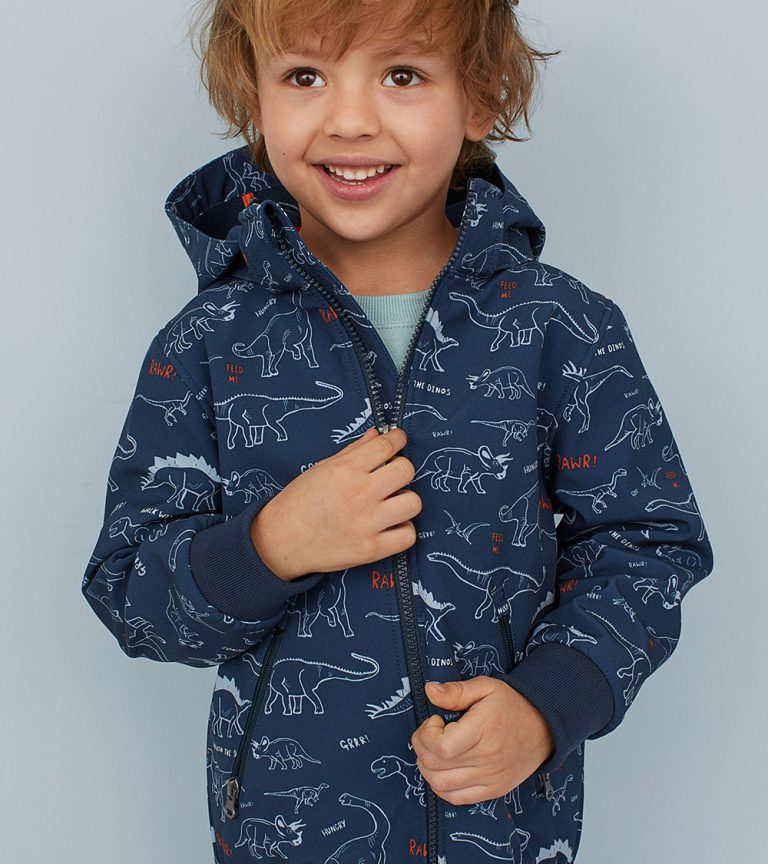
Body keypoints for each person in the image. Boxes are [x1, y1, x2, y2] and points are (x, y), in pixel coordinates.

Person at [81, 1, 714, 861]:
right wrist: (270, 547)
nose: (349, 120)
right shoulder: (206, 342)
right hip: (282, 838)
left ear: (480, 97)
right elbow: (131, 597)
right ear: (254, 99)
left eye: (403, 75)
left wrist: (549, 703)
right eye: (305, 75)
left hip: (502, 831)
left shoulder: (564, 327)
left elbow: (647, 546)